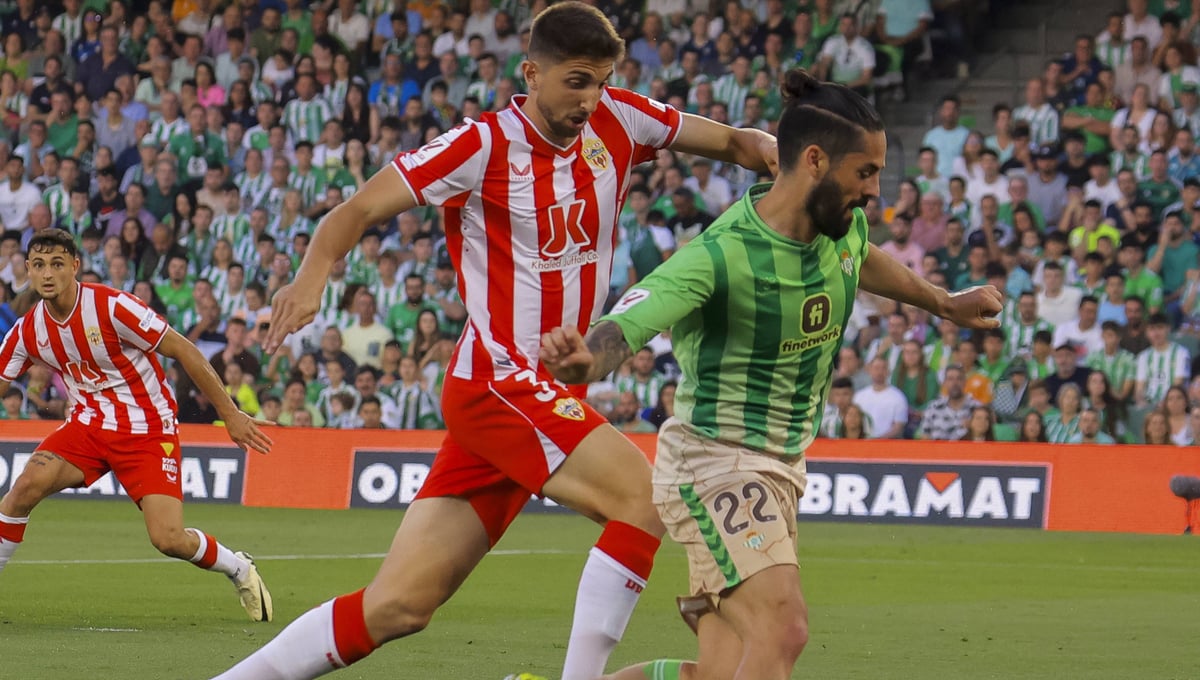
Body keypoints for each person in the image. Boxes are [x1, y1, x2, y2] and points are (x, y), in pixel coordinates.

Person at [214, 4, 779, 679]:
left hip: (534, 398)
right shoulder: (481, 145)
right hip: (500, 382)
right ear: (531, 74)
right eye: (576, 82)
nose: (590, 99)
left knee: (398, 606)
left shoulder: (621, 119)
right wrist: (310, 280)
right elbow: (357, 208)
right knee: (643, 496)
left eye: (601, 82)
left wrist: (792, 157)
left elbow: (739, 144)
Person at [537, 71, 1002, 680]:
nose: (875, 190)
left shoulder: (841, 227)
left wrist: (942, 302)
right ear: (815, 160)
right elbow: (634, 318)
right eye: (865, 172)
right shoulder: (721, 254)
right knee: (783, 629)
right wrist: (586, 360)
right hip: (715, 464)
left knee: (721, 672)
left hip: (782, 468)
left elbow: (862, 258)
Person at [0, 230, 274, 622]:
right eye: (39, 265)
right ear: (27, 269)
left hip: (147, 428)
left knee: (168, 539)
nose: (47, 274)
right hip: (88, 426)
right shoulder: (28, 330)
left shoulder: (112, 307)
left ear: (75, 267)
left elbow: (184, 349)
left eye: (57, 264)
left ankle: (238, 567)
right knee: (23, 489)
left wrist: (230, 414)